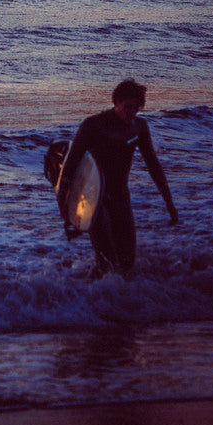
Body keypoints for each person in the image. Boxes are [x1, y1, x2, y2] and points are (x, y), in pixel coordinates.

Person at [58, 79, 178, 277]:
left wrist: (169, 202)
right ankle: (92, 298)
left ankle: (118, 300)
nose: (132, 113)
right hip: (95, 198)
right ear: (116, 102)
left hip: (121, 196)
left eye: (136, 108)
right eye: (128, 107)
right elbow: (70, 168)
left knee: (127, 261)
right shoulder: (93, 125)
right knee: (106, 262)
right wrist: (67, 209)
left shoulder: (138, 127)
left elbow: (153, 165)